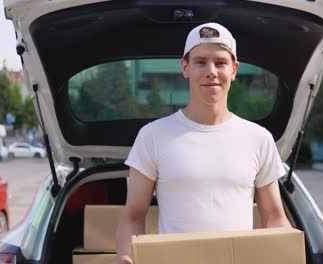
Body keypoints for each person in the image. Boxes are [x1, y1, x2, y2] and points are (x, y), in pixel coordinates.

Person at [116, 22, 291, 264]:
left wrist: (285, 256)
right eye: (200, 62)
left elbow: (273, 216)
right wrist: (126, 257)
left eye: (220, 62)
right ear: (185, 67)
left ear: (234, 69)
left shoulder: (258, 138)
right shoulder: (153, 136)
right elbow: (134, 215)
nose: (211, 71)